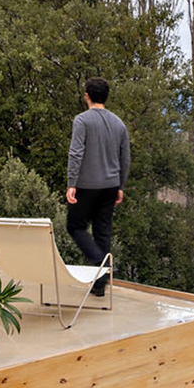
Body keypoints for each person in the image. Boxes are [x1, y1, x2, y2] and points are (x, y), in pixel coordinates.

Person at [65, 75, 129, 297]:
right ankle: (100, 286)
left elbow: (76, 153)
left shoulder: (82, 121)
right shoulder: (119, 124)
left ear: (87, 96)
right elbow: (125, 158)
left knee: (74, 226)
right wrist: (120, 185)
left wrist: (71, 183)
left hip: (86, 185)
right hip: (111, 185)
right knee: (103, 232)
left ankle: (99, 266)